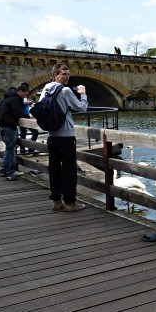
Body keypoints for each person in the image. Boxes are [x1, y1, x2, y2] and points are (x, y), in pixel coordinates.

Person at [45, 63, 88, 211]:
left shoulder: (46, 88)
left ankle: (56, 201)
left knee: (54, 169)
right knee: (69, 170)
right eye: (63, 74)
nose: (67, 77)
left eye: (68, 74)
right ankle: (70, 202)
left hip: (52, 135)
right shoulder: (65, 90)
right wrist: (83, 94)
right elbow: (82, 108)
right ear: (55, 75)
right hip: (66, 135)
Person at [0, 84, 30, 179]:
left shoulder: (7, 98)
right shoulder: (16, 99)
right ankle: (10, 171)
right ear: (20, 91)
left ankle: (4, 170)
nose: (25, 96)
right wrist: (29, 116)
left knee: (9, 149)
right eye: (24, 94)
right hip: (9, 127)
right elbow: (18, 113)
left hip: (3, 126)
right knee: (10, 150)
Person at [18, 82, 39, 155]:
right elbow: (19, 104)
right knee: (26, 133)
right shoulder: (19, 98)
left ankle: (28, 149)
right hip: (22, 118)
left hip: (27, 117)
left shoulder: (24, 97)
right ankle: (27, 149)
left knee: (24, 134)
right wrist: (26, 103)